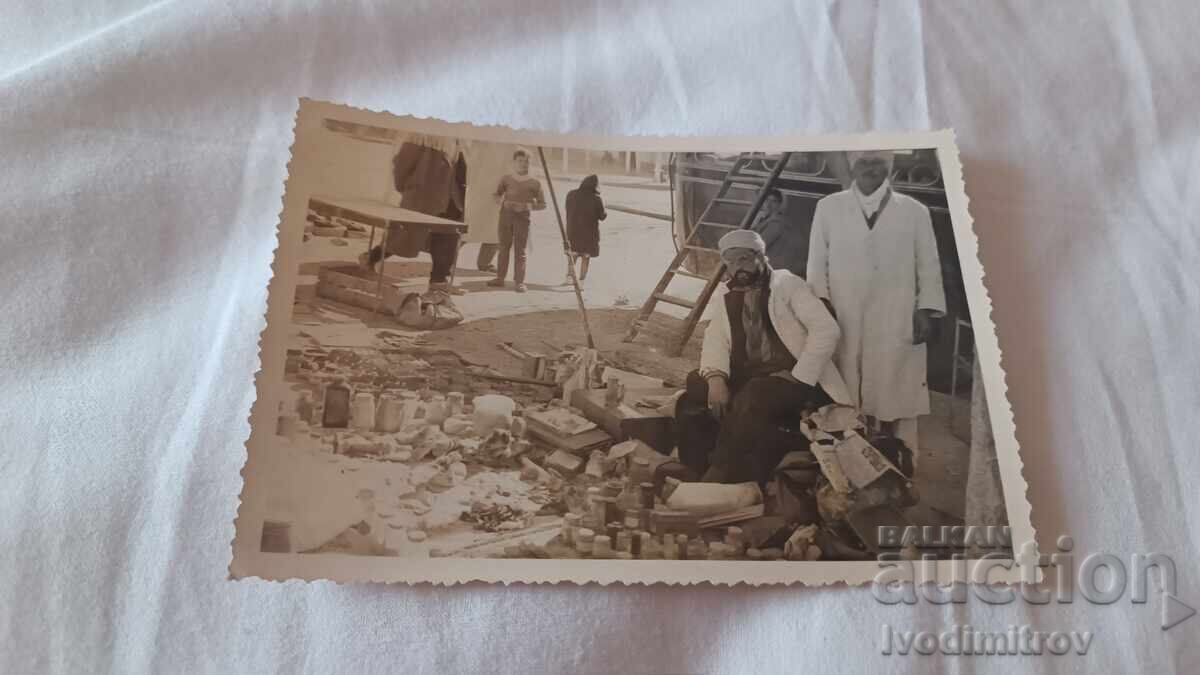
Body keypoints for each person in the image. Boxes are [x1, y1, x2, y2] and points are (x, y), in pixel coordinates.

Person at [674, 229, 852, 486]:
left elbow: (827, 330)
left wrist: (802, 377)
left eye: (744, 259)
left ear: (761, 257)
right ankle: (693, 466)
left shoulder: (787, 285)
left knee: (755, 394)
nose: (738, 268)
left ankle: (720, 470)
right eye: (731, 262)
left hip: (794, 377)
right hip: (751, 374)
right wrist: (715, 378)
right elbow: (716, 338)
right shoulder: (727, 293)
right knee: (695, 383)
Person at [805, 150, 946, 458]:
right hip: (844, 312)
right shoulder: (829, 207)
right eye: (863, 163)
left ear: (890, 168)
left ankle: (902, 463)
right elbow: (816, 264)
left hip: (896, 312)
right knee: (846, 382)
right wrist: (821, 305)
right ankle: (848, 459)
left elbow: (929, 265)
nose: (871, 169)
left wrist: (926, 309)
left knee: (895, 387)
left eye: (878, 163)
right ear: (853, 168)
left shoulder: (914, 211)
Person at [359, 135, 465, 295]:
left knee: (448, 239)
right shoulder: (423, 135)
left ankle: (439, 282)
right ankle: (371, 257)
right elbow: (402, 164)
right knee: (404, 237)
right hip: (424, 196)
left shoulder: (460, 140)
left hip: (451, 200)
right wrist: (410, 189)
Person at [487, 149, 546, 293]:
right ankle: (500, 278)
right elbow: (496, 195)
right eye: (520, 161)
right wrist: (500, 200)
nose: (523, 164)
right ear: (514, 162)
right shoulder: (506, 178)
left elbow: (543, 204)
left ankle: (519, 282)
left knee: (520, 251)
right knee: (503, 248)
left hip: (523, 220)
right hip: (505, 218)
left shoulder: (535, 183)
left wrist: (526, 206)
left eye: (527, 161)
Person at [563, 174, 607, 284]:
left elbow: (567, 209)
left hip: (573, 231)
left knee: (573, 255)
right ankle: (581, 282)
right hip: (589, 234)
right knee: (585, 257)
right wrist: (603, 208)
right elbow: (602, 217)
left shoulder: (571, 194)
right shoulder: (597, 199)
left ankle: (569, 277)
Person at [751, 189, 804, 276]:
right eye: (766, 200)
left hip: (774, 268)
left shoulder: (777, 223)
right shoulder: (764, 219)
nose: (769, 205)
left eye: (774, 201)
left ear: (779, 205)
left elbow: (759, 245)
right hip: (768, 266)